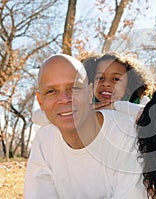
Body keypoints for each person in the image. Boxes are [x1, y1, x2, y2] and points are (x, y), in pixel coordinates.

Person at [24, 54, 146, 198]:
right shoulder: (45, 138)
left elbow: (155, 115)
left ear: (88, 92)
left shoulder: (129, 129)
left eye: (74, 87)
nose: (64, 99)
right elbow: (39, 115)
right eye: (52, 91)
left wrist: (115, 106)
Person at [32, 51, 154, 125]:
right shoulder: (85, 103)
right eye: (100, 78)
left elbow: (152, 117)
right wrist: (85, 110)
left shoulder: (140, 101)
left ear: (129, 85)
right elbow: (37, 117)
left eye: (116, 79)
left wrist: (115, 106)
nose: (106, 83)